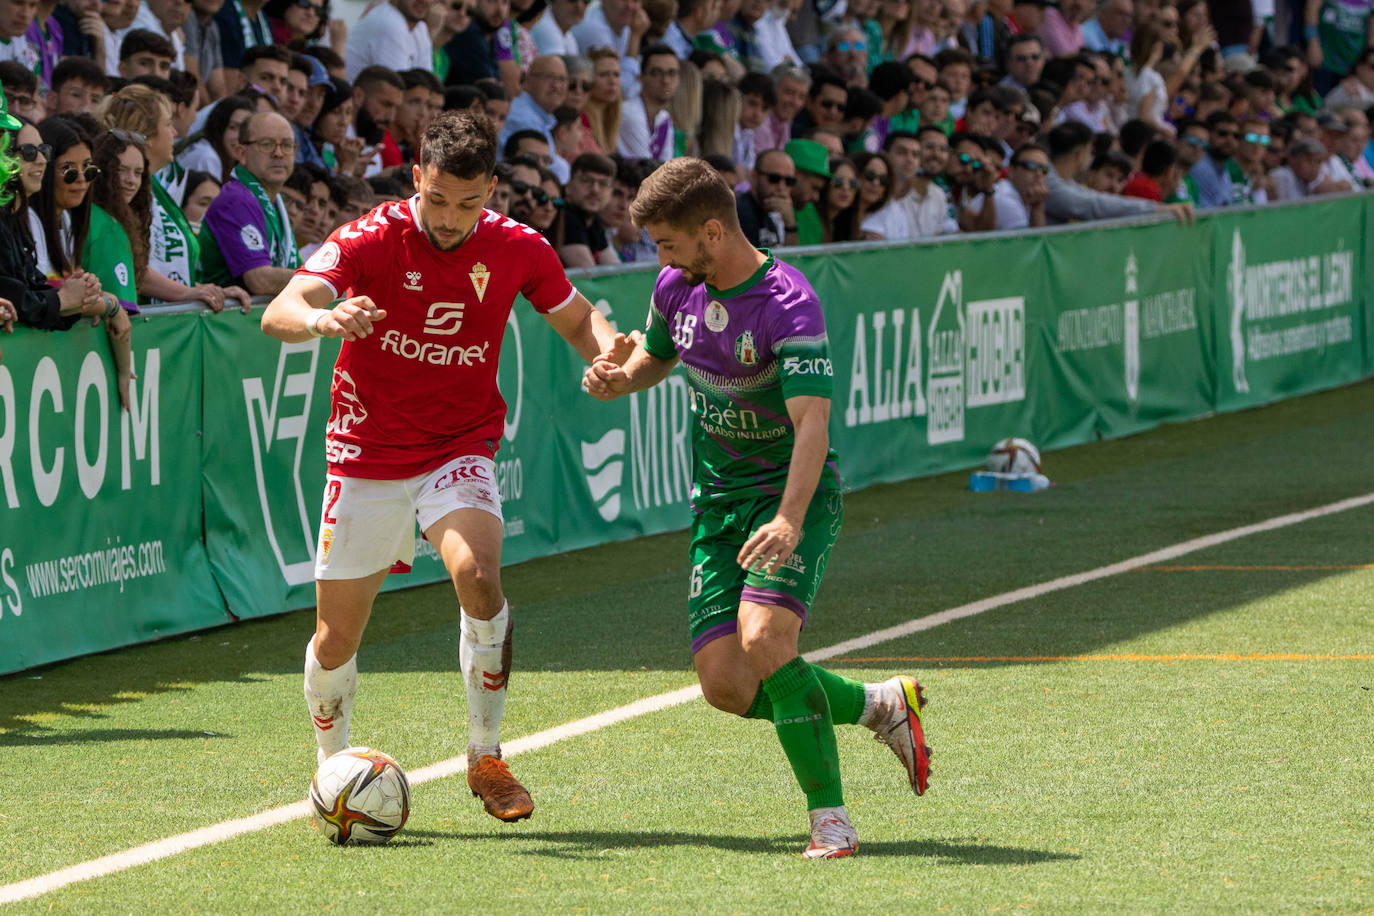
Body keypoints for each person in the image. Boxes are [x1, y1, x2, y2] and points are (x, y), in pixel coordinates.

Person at [260, 111, 626, 823]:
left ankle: (484, 755)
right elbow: (281, 308)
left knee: (479, 577)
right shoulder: (370, 237)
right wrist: (324, 320)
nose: (453, 218)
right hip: (365, 454)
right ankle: (331, 773)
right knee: (337, 638)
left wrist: (608, 356)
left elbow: (581, 319)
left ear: (492, 188)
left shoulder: (517, 246)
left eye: (470, 202)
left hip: (458, 447)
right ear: (418, 178)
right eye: (438, 199)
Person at [582, 156, 931, 860]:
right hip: (717, 503)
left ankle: (830, 819)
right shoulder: (676, 285)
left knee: (767, 642)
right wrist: (621, 380)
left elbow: (812, 424)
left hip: (790, 498)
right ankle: (879, 706)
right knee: (727, 684)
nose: (661, 257)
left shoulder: (788, 303)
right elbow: (657, 354)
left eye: (668, 243)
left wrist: (789, 519)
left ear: (712, 231)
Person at [31, 116, 135, 407]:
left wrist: (125, 370)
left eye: (87, 169)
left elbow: (78, 295)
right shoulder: (28, 219)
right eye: (67, 170)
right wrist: (111, 304)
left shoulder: (64, 219)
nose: (80, 180)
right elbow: (58, 298)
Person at [0, 109, 106, 332]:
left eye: (44, 150)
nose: (41, 160)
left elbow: (33, 293)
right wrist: (64, 300)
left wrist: (80, 296)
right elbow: (17, 299)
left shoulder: (14, 220)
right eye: (29, 152)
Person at [199, 110, 300, 294]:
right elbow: (260, 280)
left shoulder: (274, 202)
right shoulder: (237, 200)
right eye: (267, 144)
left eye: (287, 145)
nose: (278, 153)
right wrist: (325, 278)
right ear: (241, 152)